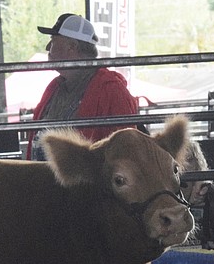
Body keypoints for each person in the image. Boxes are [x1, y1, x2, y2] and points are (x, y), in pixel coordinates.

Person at [26, 13, 138, 160]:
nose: (48, 47)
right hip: (49, 176)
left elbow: (127, 149)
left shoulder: (111, 89)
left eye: (53, 40)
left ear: (72, 47)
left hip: (88, 180)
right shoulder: (54, 87)